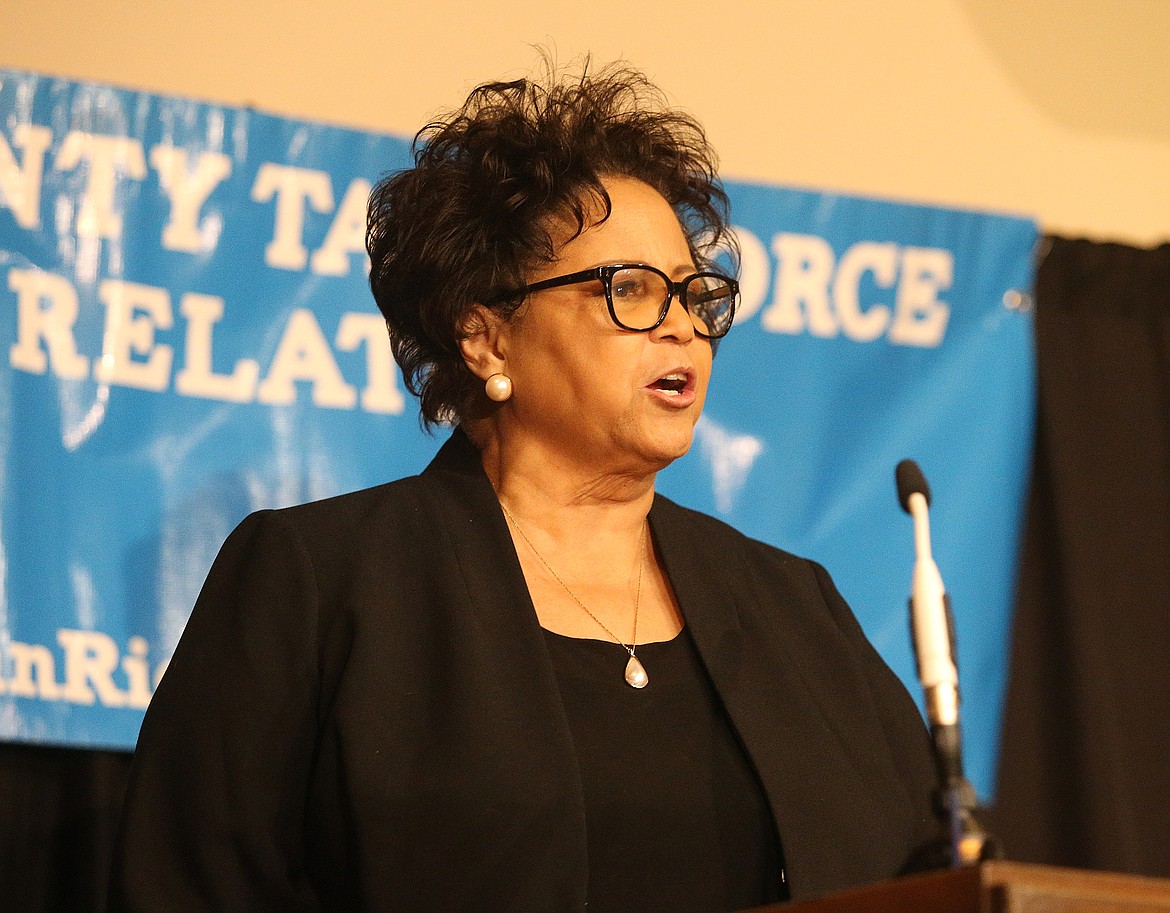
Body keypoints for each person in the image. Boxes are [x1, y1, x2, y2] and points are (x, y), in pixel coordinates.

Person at [108, 60, 936, 913]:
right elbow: (189, 885)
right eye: (632, 291)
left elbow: (929, 873)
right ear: (487, 339)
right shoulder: (323, 583)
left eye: (696, 294)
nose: (684, 324)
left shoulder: (794, 609)